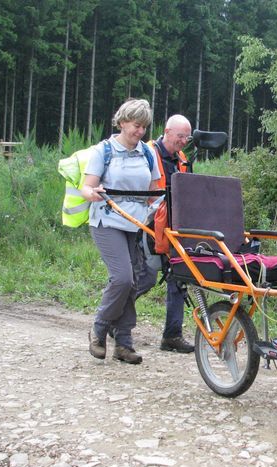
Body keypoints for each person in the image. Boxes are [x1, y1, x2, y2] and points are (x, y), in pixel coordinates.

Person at [83, 98, 161, 365]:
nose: (140, 131)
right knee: (122, 279)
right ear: (122, 121)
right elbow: (87, 186)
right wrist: (92, 194)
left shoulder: (148, 153)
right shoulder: (103, 151)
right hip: (107, 222)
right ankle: (99, 327)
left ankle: (124, 344)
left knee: (134, 282)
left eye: (144, 127)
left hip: (136, 224)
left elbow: (154, 191)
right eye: (136, 125)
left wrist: (159, 208)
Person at [143, 114, 195, 354]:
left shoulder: (182, 159)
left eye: (187, 137)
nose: (184, 141)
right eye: (180, 136)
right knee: (144, 278)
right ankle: (115, 319)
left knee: (178, 276)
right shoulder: (147, 153)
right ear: (167, 131)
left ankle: (172, 335)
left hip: (174, 225)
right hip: (146, 225)